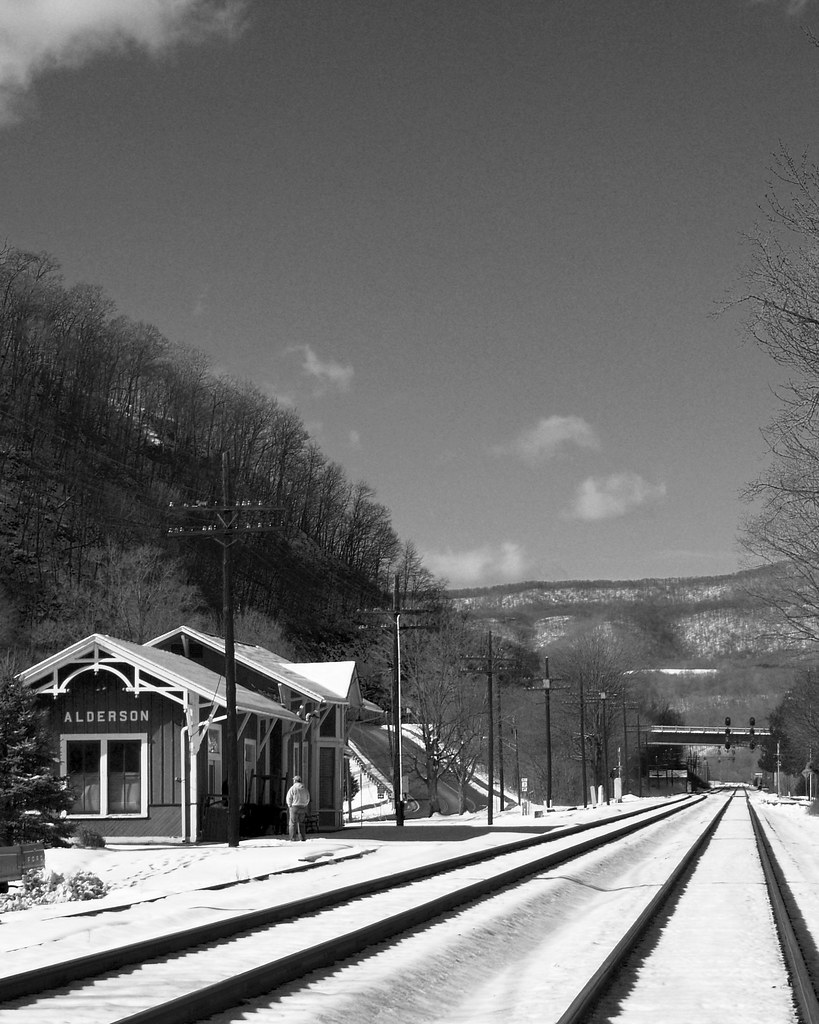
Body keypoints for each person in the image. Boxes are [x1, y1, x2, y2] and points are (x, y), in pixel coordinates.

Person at [285, 775, 310, 841]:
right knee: (301, 823)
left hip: (295, 807)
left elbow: (289, 797)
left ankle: (292, 838)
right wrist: (305, 804)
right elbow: (308, 797)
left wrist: (289, 805)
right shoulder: (304, 788)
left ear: (295, 781)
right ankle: (302, 838)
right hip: (303, 807)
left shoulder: (293, 788)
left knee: (292, 823)